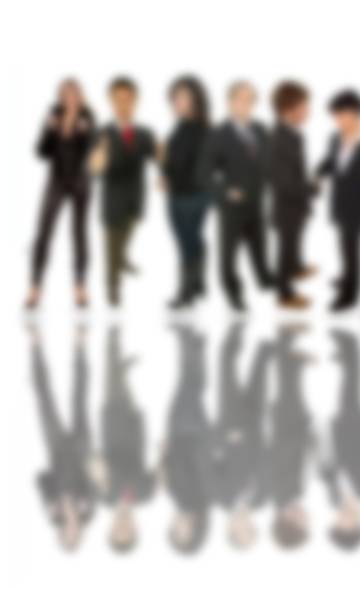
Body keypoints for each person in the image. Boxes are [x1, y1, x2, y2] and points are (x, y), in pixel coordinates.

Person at [201, 81, 276, 312]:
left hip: (257, 200)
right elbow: (203, 172)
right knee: (228, 253)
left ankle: (264, 280)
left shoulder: (261, 129)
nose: (245, 104)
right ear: (230, 102)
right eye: (240, 98)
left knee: (260, 245)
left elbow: (269, 163)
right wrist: (224, 191)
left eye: (250, 99)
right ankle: (233, 291)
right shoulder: (218, 134)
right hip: (232, 204)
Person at [27, 79, 95, 310]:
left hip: (80, 181)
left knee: (79, 234)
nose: (71, 99)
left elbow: (92, 151)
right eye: (66, 95)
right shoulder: (53, 116)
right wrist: (50, 129)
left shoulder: (88, 117)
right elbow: (40, 153)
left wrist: (85, 134)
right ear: (61, 97)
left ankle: (80, 286)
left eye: (75, 94)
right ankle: (35, 287)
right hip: (56, 181)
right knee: (44, 231)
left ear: (81, 96)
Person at [92, 76, 159, 308]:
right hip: (113, 199)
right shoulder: (102, 133)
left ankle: (122, 261)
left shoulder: (144, 133)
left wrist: (164, 169)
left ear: (136, 101)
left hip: (136, 198)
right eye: (118, 100)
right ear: (111, 101)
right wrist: (98, 160)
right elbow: (94, 169)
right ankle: (113, 288)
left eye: (128, 99)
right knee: (112, 248)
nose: (123, 105)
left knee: (126, 238)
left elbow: (158, 157)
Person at [29, 325, 94, 552]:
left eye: (66, 535)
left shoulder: (52, 513)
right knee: (80, 394)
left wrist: (51, 500)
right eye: (74, 536)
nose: (70, 530)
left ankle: (35, 344)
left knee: (43, 398)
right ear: (80, 534)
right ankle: (80, 344)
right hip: (80, 447)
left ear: (60, 534)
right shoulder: (88, 512)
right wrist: (80, 498)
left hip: (55, 450)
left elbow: (40, 477)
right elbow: (92, 481)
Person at [213, 321, 272, 550]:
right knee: (262, 366)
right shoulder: (263, 498)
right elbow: (268, 461)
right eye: (250, 531)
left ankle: (235, 326)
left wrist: (226, 438)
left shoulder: (221, 498)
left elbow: (208, 457)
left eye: (240, 532)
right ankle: (271, 329)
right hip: (257, 425)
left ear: (229, 528)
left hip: (232, 423)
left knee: (226, 365)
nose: (245, 526)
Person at [99, 327, 154, 554]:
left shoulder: (105, 497)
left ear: (110, 528)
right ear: (136, 529)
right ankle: (122, 364)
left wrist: (97, 469)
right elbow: (158, 470)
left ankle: (113, 332)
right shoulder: (145, 495)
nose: (122, 526)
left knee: (112, 381)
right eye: (127, 532)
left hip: (112, 427)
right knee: (122, 387)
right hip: (134, 432)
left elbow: (96, 462)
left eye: (117, 531)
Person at [316, 90, 360, 312]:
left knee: (352, 250)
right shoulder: (335, 137)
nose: (337, 120)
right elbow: (329, 162)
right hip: (338, 202)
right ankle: (346, 276)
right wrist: (317, 174)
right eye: (335, 116)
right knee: (343, 246)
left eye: (341, 115)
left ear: (356, 114)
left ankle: (350, 295)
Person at [162, 76, 214, 310]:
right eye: (176, 98)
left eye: (184, 97)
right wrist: (164, 173)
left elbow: (202, 166)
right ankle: (198, 282)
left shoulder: (205, 129)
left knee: (187, 242)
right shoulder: (179, 126)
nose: (179, 102)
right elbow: (171, 159)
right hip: (174, 194)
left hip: (196, 195)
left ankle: (186, 292)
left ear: (196, 99)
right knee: (188, 240)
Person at [162, 323, 214, 555]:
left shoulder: (177, 499)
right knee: (189, 386)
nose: (178, 527)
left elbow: (169, 467)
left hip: (176, 434)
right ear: (195, 530)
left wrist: (163, 451)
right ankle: (187, 339)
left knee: (190, 386)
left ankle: (196, 344)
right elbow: (204, 466)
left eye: (174, 531)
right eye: (183, 533)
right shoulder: (201, 501)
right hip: (193, 434)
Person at [322, 328, 360, 552]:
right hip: (358, 430)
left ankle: (346, 355)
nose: (342, 520)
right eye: (348, 526)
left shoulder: (333, 500)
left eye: (338, 525)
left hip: (339, 432)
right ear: (359, 526)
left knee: (345, 388)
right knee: (354, 386)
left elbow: (325, 472)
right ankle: (351, 344)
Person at [269, 81, 318, 310]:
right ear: (289, 108)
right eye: (304, 106)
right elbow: (284, 182)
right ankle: (285, 294)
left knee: (294, 245)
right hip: (286, 207)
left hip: (296, 206)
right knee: (285, 249)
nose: (307, 111)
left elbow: (297, 172)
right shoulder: (278, 138)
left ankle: (296, 267)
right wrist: (311, 188)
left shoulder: (294, 134)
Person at [266, 324, 314, 550]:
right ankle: (293, 355)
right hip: (292, 427)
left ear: (289, 523)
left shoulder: (280, 493)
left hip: (286, 426)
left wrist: (303, 436)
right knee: (292, 386)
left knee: (287, 385)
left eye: (303, 523)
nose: (307, 518)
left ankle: (284, 337)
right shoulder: (293, 494)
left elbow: (281, 454)